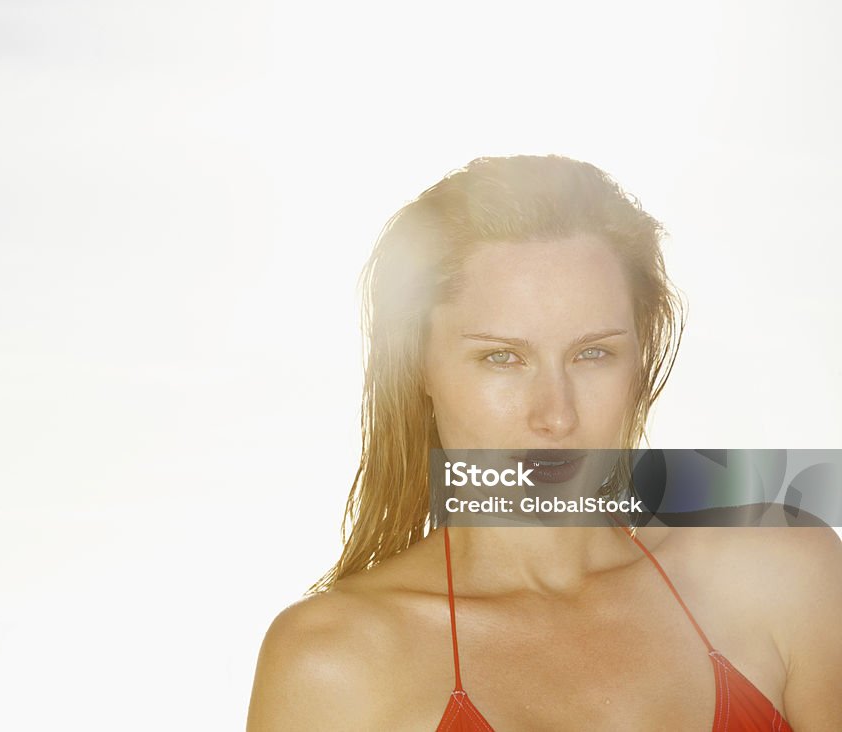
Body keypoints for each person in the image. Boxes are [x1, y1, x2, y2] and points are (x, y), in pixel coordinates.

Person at [247, 156, 842, 730]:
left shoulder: (783, 570)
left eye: (592, 354)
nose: (555, 416)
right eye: (501, 358)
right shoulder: (335, 664)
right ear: (416, 367)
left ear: (641, 355)